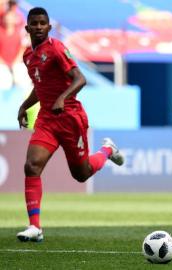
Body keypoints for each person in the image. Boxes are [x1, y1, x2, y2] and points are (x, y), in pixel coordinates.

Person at [16, 7, 124, 242]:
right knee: (31, 166)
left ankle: (107, 150)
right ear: (27, 28)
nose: (38, 27)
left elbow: (80, 78)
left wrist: (62, 98)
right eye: (34, 23)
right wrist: (25, 105)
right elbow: (40, 85)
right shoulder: (28, 56)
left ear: (49, 27)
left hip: (70, 118)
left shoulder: (56, 48)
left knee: (82, 174)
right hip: (47, 118)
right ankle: (35, 227)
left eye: (42, 23)